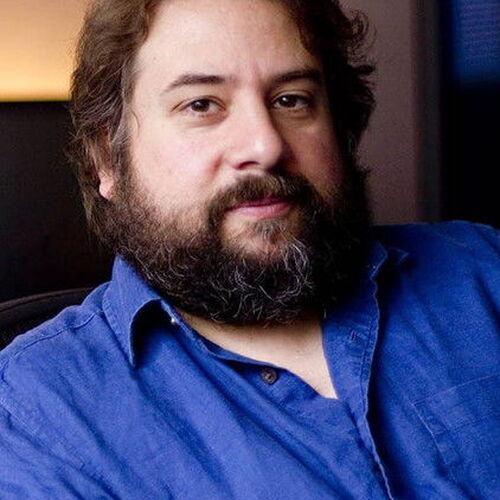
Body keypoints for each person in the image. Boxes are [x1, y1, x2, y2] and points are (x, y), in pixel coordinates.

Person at [0, 0, 498, 497]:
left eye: (291, 100)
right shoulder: (36, 415)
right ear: (107, 159)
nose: (266, 145)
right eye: (202, 105)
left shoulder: (484, 269)